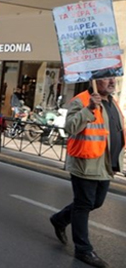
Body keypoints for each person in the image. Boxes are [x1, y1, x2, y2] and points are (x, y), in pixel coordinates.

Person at [50, 78, 123, 268]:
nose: (112, 81)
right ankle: (83, 249)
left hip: (105, 165)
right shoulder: (81, 100)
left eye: (112, 77)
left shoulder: (112, 102)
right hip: (86, 163)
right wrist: (89, 109)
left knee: (96, 202)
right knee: (84, 205)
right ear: (94, 81)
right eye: (106, 77)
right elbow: (70, 127)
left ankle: (59, 219)